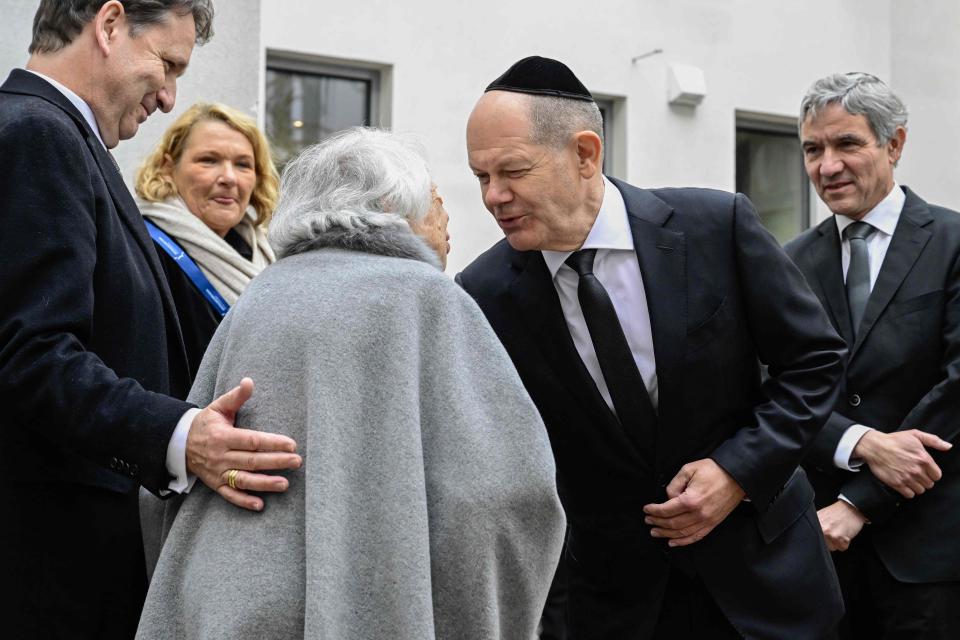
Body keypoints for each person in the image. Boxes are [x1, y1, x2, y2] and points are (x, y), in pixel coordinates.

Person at [456, 56, 847, 639]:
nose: (494, 196)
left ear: (585, 154)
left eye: (512, 171)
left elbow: (814, 362)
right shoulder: (483, 293)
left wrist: (737, 470)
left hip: (767, 581)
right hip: (619, 606)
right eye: (480, 177)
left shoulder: (716, 225)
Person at [135, 127, 565, 640]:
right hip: (382, 610)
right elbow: (504, 493)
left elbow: (179, 478)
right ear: (390, 205)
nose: (447, 217)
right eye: (434, 200)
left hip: (226, 606)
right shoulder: (426, 298)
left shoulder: (260, 295)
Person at [0, 3, 300, 638]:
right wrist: (182, 436)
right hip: (49, 579)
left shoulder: (62, 137)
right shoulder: (37, 133)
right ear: (109, 25)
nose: (168, 98)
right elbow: (31, 353)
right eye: (167, 66)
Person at [785, 72, 960, 638]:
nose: (827, 166)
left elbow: (956, 390)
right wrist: (854, 441)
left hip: (929, 557)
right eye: (813, 149)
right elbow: (771, 384)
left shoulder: (953, 243)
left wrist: (859, 503)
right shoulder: (785, 263)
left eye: (846, 144)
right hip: (819, 549)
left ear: (895, 144)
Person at [135, 102, 278, 377]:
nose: (228, 177)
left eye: (243, 164)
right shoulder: (143, 249)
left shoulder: (270, 253)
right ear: (168, 168)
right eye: (209, 160)